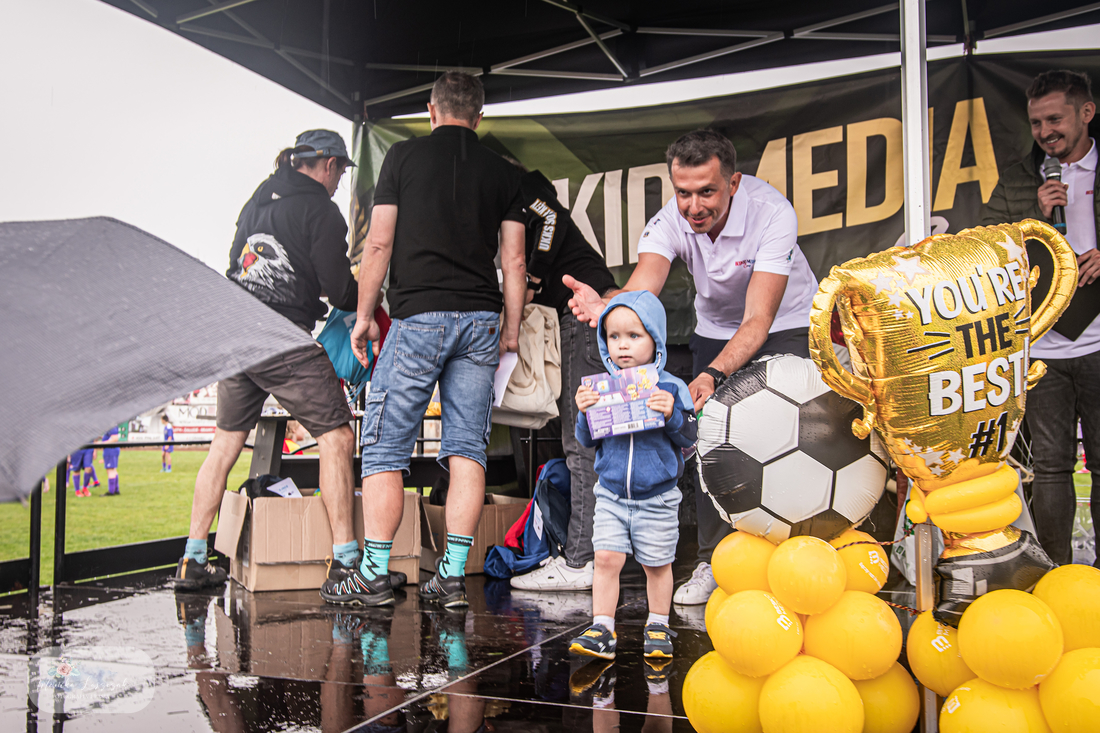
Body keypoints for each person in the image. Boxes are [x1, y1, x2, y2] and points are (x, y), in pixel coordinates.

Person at [567, 129, 818, 603]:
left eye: (707, 192)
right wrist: (607, 305)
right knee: (707, 437)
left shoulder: (773, 213)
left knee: (789, 435)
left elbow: (758, 319)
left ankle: (800, 557)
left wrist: (711, 375)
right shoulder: (670, 220)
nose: (694, 206)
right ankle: (714, 562)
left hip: (786, 322)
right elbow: (642, 290)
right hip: (716, 327)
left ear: (733, 183)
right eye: (683, 192)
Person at [327, 72, 526, 609]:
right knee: (467, 448)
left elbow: (378, 244)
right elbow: (514, 261)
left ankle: (372, 575)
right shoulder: (502, 172)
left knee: (385, 448)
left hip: (418, 318)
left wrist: (364, 316)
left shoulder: (403, 158)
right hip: (481, 320)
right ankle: (452, 578)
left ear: (432, 111)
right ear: (478, 117)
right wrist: (510, 328)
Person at [174, 129, 361, 591]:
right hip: (278, 335)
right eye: (340, 172)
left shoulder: (259, 197)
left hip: (235, 329)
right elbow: (340, 290)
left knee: (224, 446)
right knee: (337, 437)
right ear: (328, 165)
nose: (339, 181)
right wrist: (373, 296)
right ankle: (346, 564)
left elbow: (236, 265)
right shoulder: (321, 209)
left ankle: (193, 559)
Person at [980, 69, 1100, 567]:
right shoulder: (1020, 178)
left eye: (1055, 119)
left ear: (1086, 112)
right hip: (1044, 344)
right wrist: (1034, 213)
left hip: (1099, 342)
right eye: (1036, 122)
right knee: (1050, 465)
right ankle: (1057, 571)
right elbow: (984, 246)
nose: (1045, 132)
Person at [506, 160, 618, 592]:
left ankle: (581, 560)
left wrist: (533, 277)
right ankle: (595, 556)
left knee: (582, 442)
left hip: (584, 315)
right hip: (578, 319)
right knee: (587, 441)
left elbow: (550, 218)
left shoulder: (522, 184)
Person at [567, 291, 697, 663]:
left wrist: (672, 414)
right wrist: (584, 413)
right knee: (606, 558)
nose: (622, 345)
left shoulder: (671, 387)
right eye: (614, 337)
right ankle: (602, 628)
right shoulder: (600, 388)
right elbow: (586, 440)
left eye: (634, 336)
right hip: (611, 494)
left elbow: (689, 436)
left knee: (657, 564)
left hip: (658, 497)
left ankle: (658, 624)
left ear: (656, 338)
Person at [101, 424, 121, 496]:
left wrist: (102, 443)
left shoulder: (112, 425)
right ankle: (116, 489)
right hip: (112, 449)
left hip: (110, 449)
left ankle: (111, 491)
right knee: (113, 469)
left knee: (110, 470)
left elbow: (115, 438)